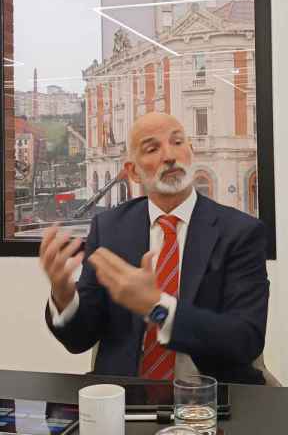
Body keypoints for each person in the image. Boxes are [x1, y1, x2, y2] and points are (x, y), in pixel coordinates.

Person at [40, 112, 270, 384]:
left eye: (177, 142)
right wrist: (64, 296)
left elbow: (245, 340)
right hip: (123, 399)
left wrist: (156, 307)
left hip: (209, 399)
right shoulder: (110, 228)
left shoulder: (239, 232)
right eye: (152, 148)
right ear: (133, 172)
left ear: (191, 152)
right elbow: (79, 339)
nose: (169, 155)